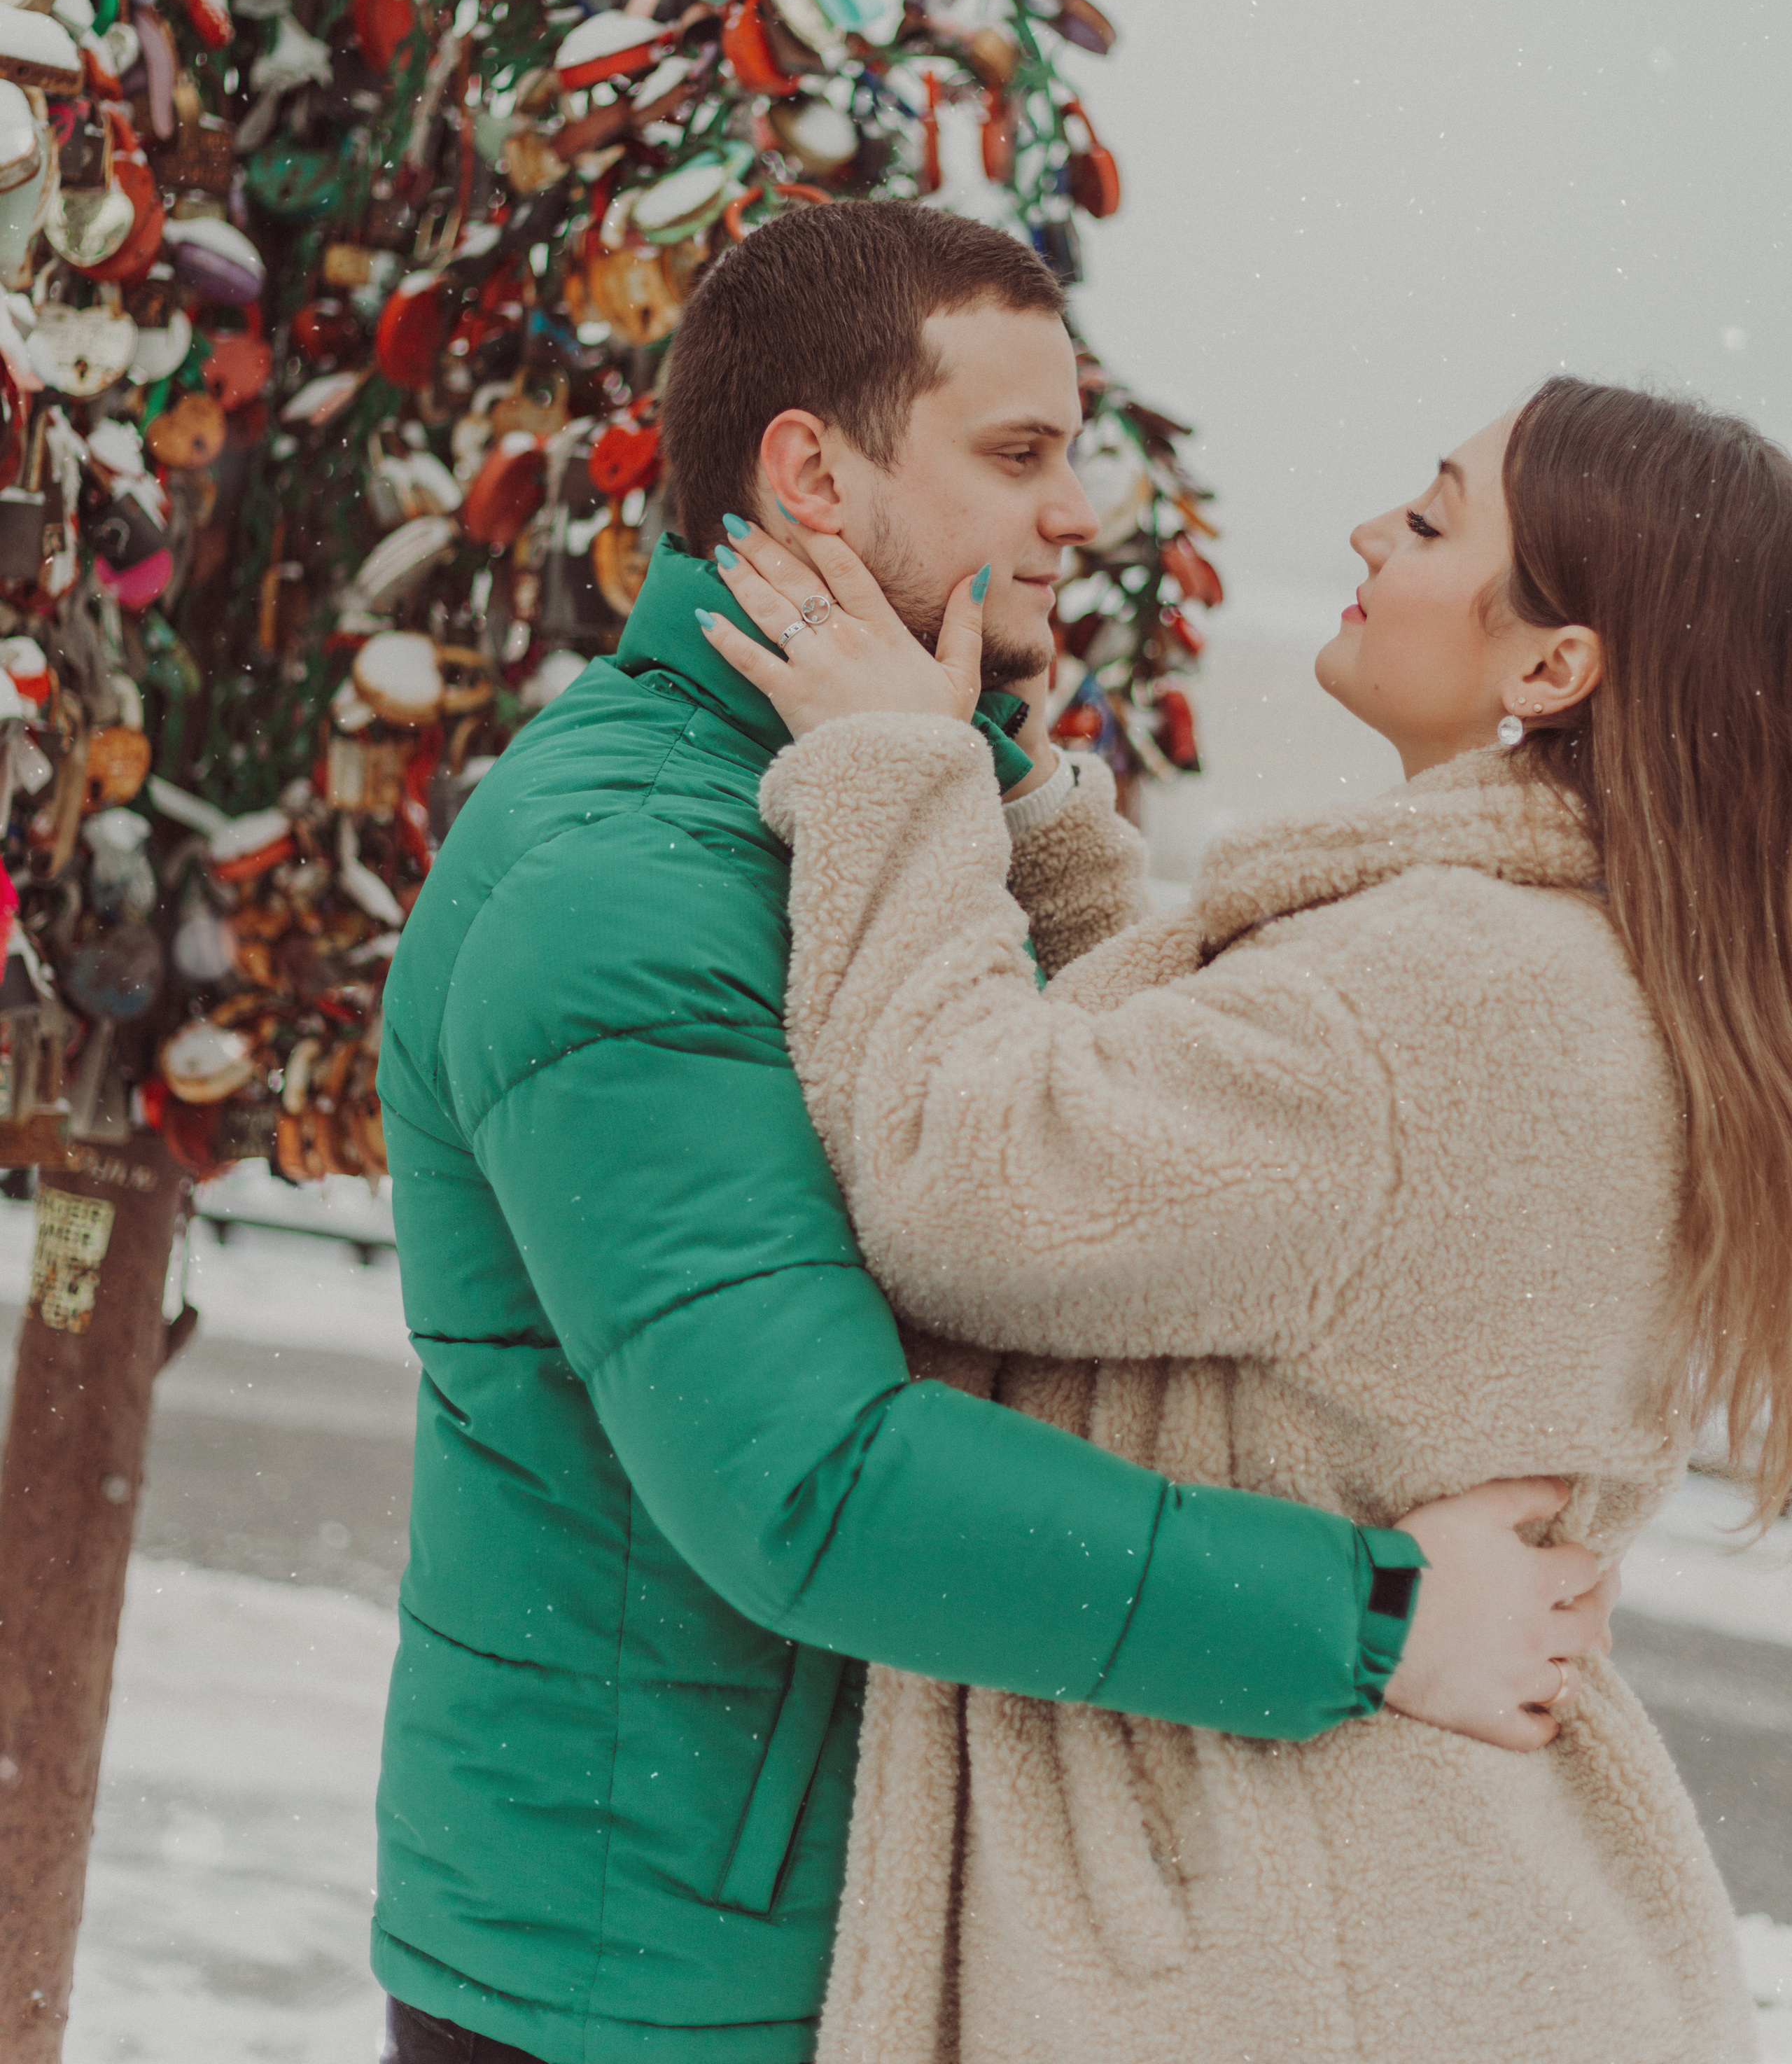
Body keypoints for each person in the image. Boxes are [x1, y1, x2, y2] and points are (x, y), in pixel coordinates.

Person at [372, 207, 1615, 2064]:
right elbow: (811, 1490)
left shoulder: (871, 810)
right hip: (651, 1975)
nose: (1077, 513)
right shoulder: (627, 886)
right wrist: (1375, 1621)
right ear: (812, 475)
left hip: (826, 1933)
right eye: (1019, 455)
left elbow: (1106, 1160)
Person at [701, 372, 1780, 2063]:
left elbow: (960, 1180)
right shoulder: (1591, 963)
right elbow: (1225, 1161)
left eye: (1427, 520)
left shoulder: (1440, 989)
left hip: (1288, 1948)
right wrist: (1021, 819)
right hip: (1436, 1910)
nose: (1364, 533)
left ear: (1550, 667)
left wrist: (888, 776)